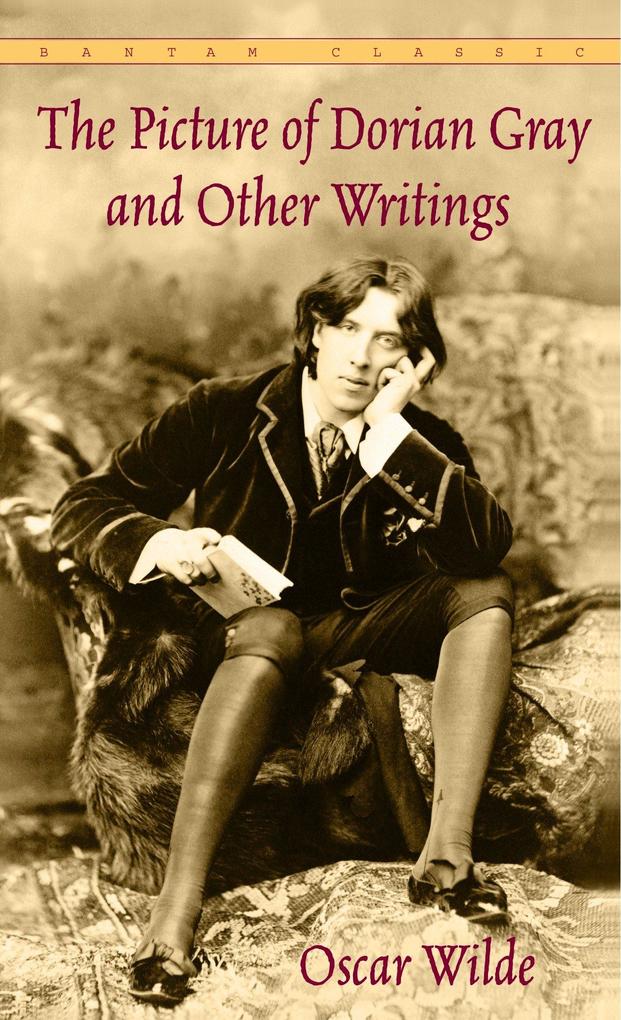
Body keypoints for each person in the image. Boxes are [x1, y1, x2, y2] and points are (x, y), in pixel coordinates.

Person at [51, 255, 514, 1006]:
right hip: (241, 637)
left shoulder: (419, 441)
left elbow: (483, 550)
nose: (361, 356)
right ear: (315, 331)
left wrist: (390, 434)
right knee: (270, 627)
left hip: (349, 636)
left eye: (388, 340)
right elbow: (84, 505)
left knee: (486, 589)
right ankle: (175, 912)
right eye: (349, 329)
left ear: (413, 362)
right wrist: (160, 542)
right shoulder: (223, 409)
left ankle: (447, 858)